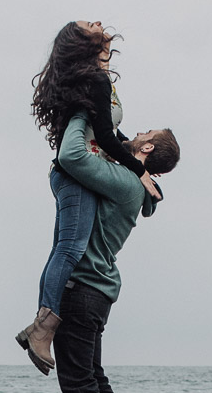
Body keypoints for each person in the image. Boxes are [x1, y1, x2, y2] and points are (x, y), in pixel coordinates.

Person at [18, 20, 162, 374]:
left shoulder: (98, 80)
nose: (98, 22)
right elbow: (106, 139)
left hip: (75, 176)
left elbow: (112, 132)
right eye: (89, 24)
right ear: (84, 43)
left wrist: (140, 163)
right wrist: (139, 170)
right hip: (75, 176)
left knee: (64, 248)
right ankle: (42, 329)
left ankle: (38, 327)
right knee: (70, 248)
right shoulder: (95, 81)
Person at [49, 112, 179, 393]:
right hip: (98, 291)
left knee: (79, 382)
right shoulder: (135, 182)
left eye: (145, 132)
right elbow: (113, 135)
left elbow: (72, 157)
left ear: (148, 145)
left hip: (82, 286)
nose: (136, 131)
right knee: (94, 377)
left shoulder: (123, 180)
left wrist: (78, 112)